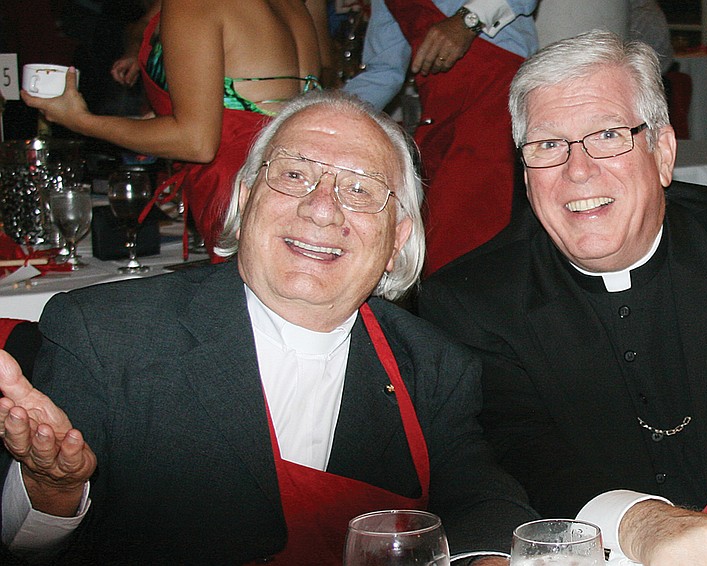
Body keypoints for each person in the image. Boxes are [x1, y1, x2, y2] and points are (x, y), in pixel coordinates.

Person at [0, 90, 536, 565]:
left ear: (397, 240)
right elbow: (26, 548)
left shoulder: (432, 365)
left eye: (360, 189)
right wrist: (51, 491)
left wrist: (488, 557)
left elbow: (479, 498)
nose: (322, 209)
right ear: (244, 197)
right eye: (294, 175)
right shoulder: (108, 334)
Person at [418, 30, 707, 564]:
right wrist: (638, 520)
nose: (578, 170)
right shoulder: (471, 301)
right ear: (525, 174)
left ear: (662, 152)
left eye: (608, 135)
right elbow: (514, 456)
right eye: (548, 145)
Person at [22, 0, 334, 260]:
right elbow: (260, 106)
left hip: (236, 189)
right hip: (292, 181)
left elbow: (196, 142)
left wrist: (80, 121)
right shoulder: (295, 5)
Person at [343, 0, 537, 275]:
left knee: (475, 237)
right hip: (441, 117)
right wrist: (322, 111)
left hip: (495, 104)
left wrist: (468, 20)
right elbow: (384, 72)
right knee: (436, 243)